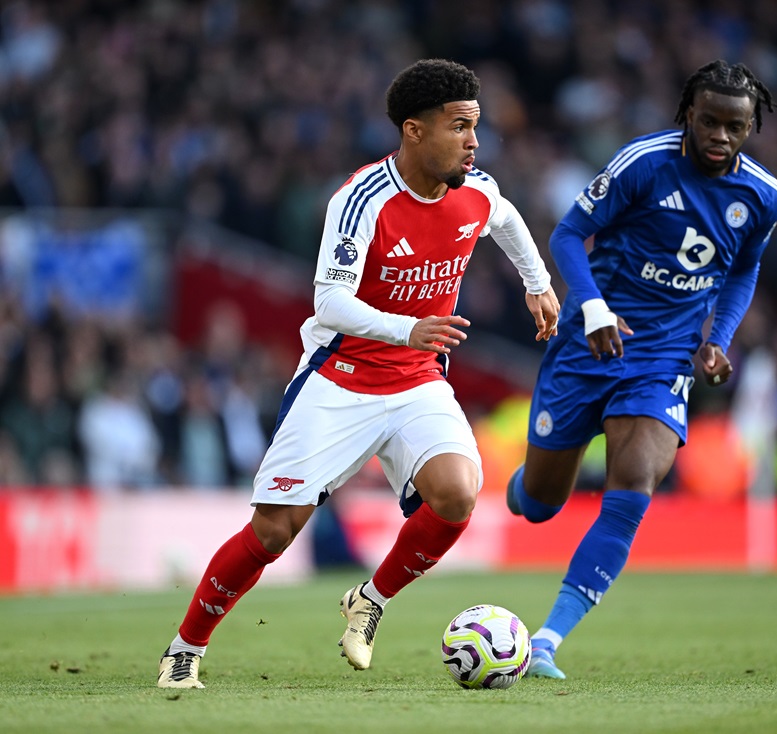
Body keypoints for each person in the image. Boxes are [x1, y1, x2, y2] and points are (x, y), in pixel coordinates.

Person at [157, 58, 560, 689]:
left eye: (475, 127)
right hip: (340, 378)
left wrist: (537, 284)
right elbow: (330, 303)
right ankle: (185, 648)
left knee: (457, 493)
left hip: (418, 379)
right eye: (460, 127)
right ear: (414, 130)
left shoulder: (475, 190)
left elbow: (504, 219)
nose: (474, 142)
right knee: (272, 532)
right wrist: (409, 328)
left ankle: (369, 601)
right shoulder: (362, 200)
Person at [506, 59, 777, 679]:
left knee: (633, 482)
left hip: (662, 357)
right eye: (708, 121)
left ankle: (548, 639)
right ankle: (526, 486)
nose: (719, 135)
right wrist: (597, 309)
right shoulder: (644, 163)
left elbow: (742, 269)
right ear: (688, 113)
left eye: (733, 126)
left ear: (749, 127)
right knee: (542, 503)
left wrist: (719, 337)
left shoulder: (763, 197)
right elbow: (568, 235)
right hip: (588, 344)